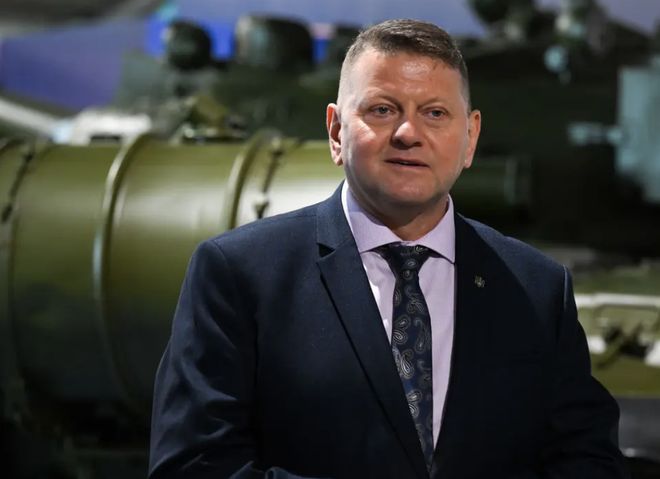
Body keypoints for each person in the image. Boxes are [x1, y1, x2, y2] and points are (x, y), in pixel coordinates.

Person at [148, 19, 628, 479]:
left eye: (435, 113)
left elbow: (588, 462)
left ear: (470, 137)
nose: (408, 133)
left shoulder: (537, 288)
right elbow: (193, 467)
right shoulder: (238, 275)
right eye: (382, 110)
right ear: (336, 131)